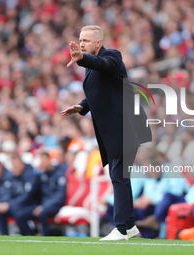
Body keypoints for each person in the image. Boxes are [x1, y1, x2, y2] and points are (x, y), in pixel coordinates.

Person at [61, 25, 151, 241]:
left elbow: (104, 64)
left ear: (98, 43)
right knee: (119, 177)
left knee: (119, 177)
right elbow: (103, 90)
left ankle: (121, 228)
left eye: (86, 40)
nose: (81, 43)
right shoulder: (91, 66)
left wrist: (82, 58)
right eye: (80, 39)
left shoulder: (112, 56)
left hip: (125, 127)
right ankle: (128, 226)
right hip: (115, 130)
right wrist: (83, 106)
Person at [15, 152, 66, 236]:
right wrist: (36, 172)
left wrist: (44, 206)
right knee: (20, 214)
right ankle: (29, 236)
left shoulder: (59, 174)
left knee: (42, 213)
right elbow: (34, 189)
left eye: (44, 160)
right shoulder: (41, 174)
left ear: (49, 160)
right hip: (42, 205)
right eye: (41, 161)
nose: (43, 163)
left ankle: (45, 237)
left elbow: (60, 195)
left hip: (54, 205)